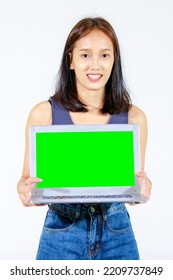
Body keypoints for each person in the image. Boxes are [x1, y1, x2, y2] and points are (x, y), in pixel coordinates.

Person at [17, 17, 152, 260]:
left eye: (105, 55)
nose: (95, 65)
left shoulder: (135, 118)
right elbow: (25, 182)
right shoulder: (43, 114)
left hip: (116, 230)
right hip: (62, 230)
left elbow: (133, 189)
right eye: (85, 55)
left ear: (114, 61)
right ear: (70, 60)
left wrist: (141, 190)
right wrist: (27, 192)